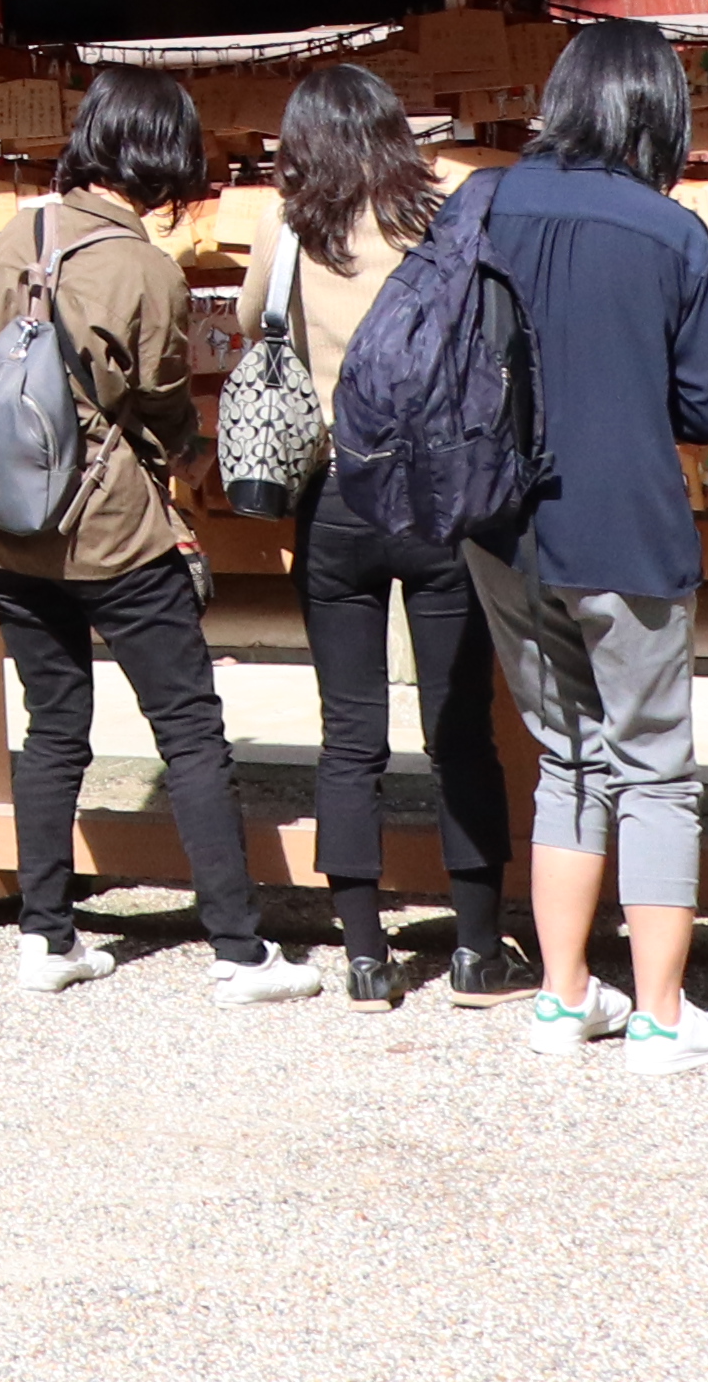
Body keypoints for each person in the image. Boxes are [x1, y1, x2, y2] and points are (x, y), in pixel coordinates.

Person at [0, 67, 319, 1001]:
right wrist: (195, 453)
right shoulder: (143, 269)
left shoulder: (14, 237)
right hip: (113, 532)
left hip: (8, 527)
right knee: (190, 734)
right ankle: (240, 953)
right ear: (162, 156)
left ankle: (46, 938)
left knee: (54, 728)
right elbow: (157, 399)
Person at [471, 20, 708, 1074]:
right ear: (656, 111)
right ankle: (662, 1014)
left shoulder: (484, 203)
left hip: (501, 528)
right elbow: (707, 404)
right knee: (656, 767)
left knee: (566, 755)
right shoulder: (669, 233)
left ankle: (561, 996)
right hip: (625, 528)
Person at [268, 58, 519, 1006]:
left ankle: (366, 956)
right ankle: (475, 948)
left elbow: (264, 329)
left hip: (336, 495)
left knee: (349, 735)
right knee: (460, 728)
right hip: (438, 498)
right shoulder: (442, 217)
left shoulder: (284, 229)